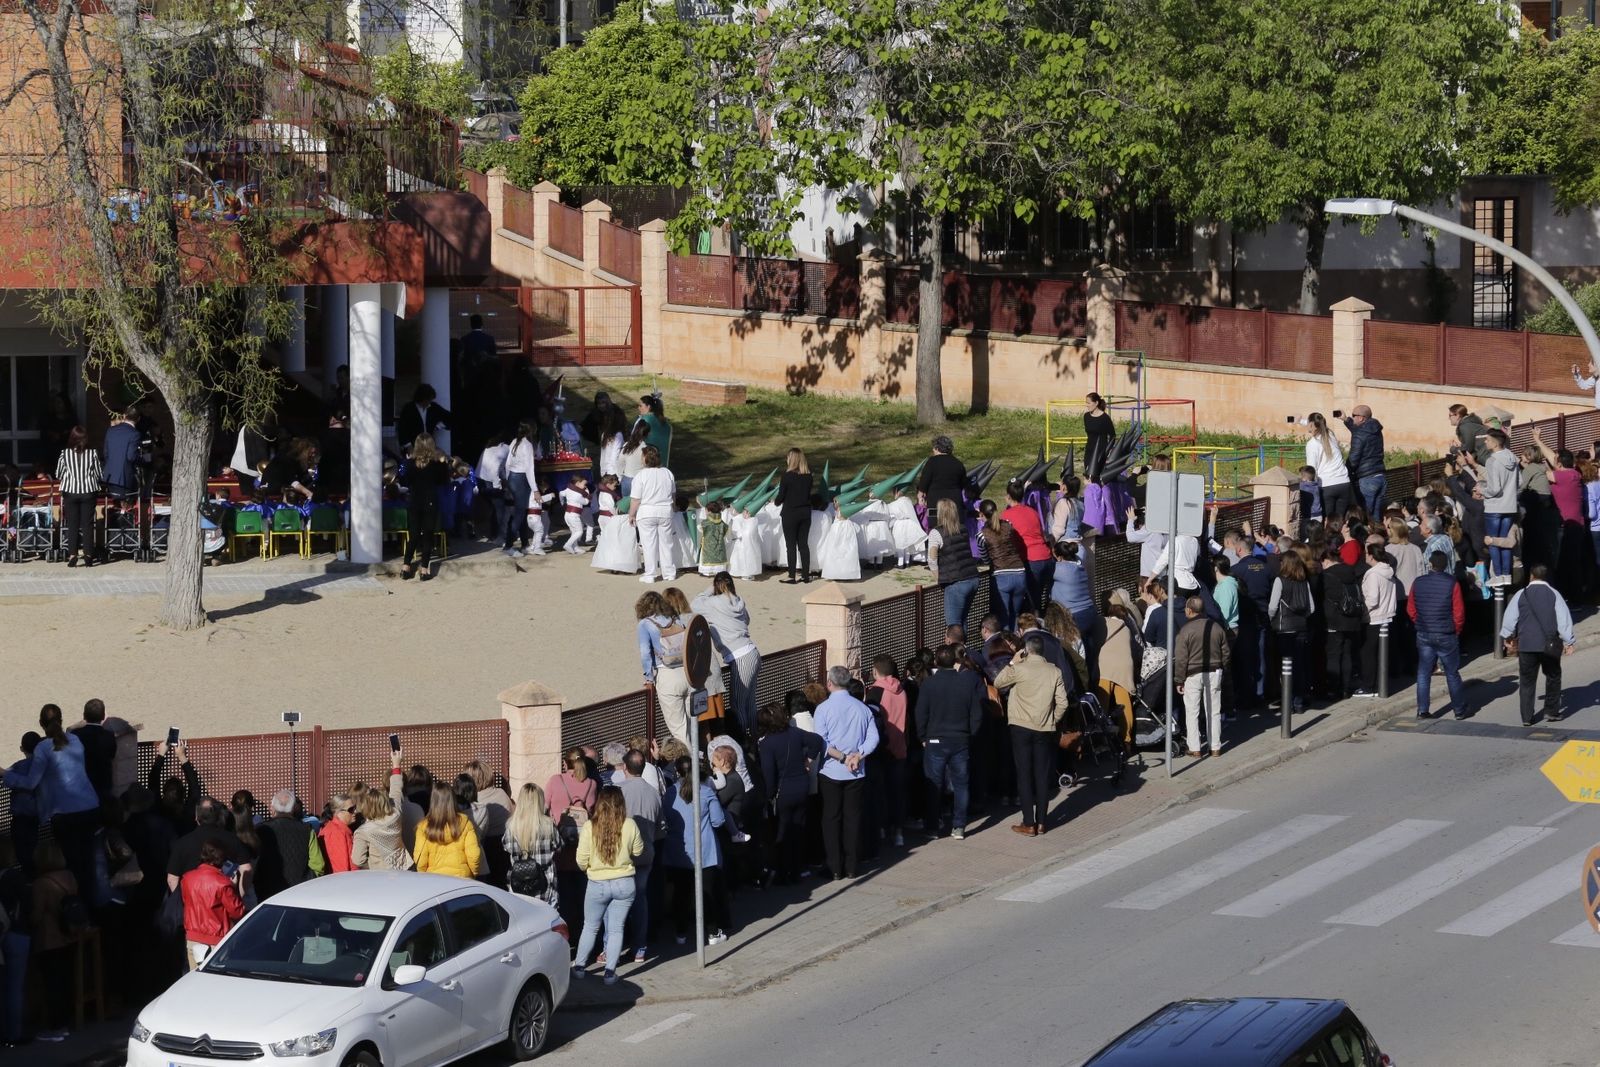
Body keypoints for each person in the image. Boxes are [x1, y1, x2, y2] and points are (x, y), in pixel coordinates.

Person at [4, 704, 103, 896]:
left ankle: (77, 904)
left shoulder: (43, 748)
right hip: (90, 806)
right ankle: (90, 903)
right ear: (61, 720)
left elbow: (31, 783)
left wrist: (5, 775)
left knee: (73, 865)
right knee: (89, 862)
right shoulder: (75, 740)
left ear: (41, 723)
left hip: (64, 814)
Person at [993, 634, 1068, 835]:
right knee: (1042, 775)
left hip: (1020, 726)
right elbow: (1063, 703)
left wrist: (1013, 661)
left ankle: (1029, 822)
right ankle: (1042, 822)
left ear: (1026, 650)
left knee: (1024, 774)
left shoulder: (1019, 669)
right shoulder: (1054, 671)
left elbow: (998, 682)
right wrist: (1052, 719)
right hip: (1044, 727)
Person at [814, 665, 881, 877]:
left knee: (831, 819)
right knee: (852, 819)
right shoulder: (862, 708)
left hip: (831, 771)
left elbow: (822, 742)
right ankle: (851, 867)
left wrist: (843, 757)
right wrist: (858, 756)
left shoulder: (823, 709)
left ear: (830, 683)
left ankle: (834, 867)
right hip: (856, 771)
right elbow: (873, 738)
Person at [571, 786, 642, 983]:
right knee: (616, 928)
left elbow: (581, 860)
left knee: (590, 927)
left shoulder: (589, 826)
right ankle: (610, 973)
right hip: (624, 882)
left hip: (597, 883)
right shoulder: (630, 824)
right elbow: (638, 851)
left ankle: (579, 967)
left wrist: (590, 869)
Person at [914, 646, 984, 840]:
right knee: (961, 784)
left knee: (934, 785)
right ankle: (959, 826)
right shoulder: (966, 683)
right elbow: (976, 714)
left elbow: (921, 713)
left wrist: (922, 737)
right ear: (955, 661)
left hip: (935, 740)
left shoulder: (929, 684)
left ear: (936, 662)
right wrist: (970, 734)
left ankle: (932, 827)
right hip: (960, 739)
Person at [661, 758, 731, 946]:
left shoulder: (669, 793)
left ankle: (681, 933)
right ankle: (712, 932)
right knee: (707, 893)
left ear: (677, 772)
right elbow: (718, 821)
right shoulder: (706, 792)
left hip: (678, 851)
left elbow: (665, 819)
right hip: (704, 852)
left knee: (681, 893)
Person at [1500, 563, 1576, 725]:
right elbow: (1563, 619)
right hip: (1549, 645)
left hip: (1527, 644)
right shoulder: (1554, 594)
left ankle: (1527, 717)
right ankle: (1551, 712)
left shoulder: (1521, 594)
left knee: (1527, 681)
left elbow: (1510, 617)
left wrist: (1507, 635)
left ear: (1531, 576)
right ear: (1545, 577)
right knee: (1553, 677)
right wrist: (1568, 641)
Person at [758, 703, 824, 883]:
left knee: (782, 832)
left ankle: (783, 873)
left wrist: (769, 796)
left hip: (783, 792)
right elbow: (817, 741)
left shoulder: (766, 744)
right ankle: (797, 869)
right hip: (802, 786)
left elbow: (769, 775)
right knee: (798, 829)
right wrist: (809, 760)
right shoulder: (795, 733)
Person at [693, 574, 761, 740]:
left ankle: (743, 741)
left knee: (738, 705)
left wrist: (710, 589)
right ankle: (755, 739)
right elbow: (747, 620)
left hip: (740, 657)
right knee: (750, 702)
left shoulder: (713, 603)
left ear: (716, 585)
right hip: (752, 652)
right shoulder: (739, 600)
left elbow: (694, 604)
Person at [1408, 550, 1468, 720]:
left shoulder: (1418, 582)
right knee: (1452, 673)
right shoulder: (1452, 583)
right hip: (1446, 632)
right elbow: (1459, 612)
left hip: (1424, 632)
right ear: (1445, 564)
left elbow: (1411, 609)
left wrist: (1419, 622)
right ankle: (1459, 709)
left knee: (1423, 672)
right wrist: (1456, 630)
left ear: (1430, 564)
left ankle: (1422, 710)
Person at [614, 751, 662, 961]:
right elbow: (661, 827)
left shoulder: (618, 792)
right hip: (646, 853)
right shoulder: (654, 793)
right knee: (640, 898)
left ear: (625, 767)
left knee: (618, 901)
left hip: (622, 855)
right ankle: (640, 946)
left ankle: (614, 947)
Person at [30, 841, 78, 1041]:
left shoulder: (41, 884)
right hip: (69, 935)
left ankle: (57, 1027)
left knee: (52, 984)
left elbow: (36, 915)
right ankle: (67, 1021)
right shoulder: (69, 876)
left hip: (49, 939)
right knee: (65, 981)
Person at [1174, 596, 1230, 760]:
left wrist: (1179, 679)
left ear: (1189, 610)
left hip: (1192, 674)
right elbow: (1226, 653)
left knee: (1192, 712)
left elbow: (1181, 658)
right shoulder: (1216, 627)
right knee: (1214, 711)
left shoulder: (1185, 630)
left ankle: (1195, 748)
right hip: (1214, 671)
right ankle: (1215, 747)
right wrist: (1223, 669)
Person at [180, 840, 245, 971]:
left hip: (193, 937)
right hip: (216, 940)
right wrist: (234, 887)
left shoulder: (187, 878)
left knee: (194, 977)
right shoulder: (223, 883)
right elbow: (237, 912)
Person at [1321, 545, 1369, 700]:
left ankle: (1333, 690)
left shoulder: (1326, 576)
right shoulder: (1351, 571)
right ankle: (1346, 689)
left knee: (1334, 655)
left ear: (1326, 560)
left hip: (1334, 621)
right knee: (1347, 654)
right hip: (1352, 619)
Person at [1268, 550, 1314, 714]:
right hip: (1301, 628)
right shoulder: (1304, 582)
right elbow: (1312, 608)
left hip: (1284, 629)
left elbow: (1272, 606)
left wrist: (1271, 619)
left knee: (1286, 667)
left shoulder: (1280, 580)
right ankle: (1298, 702)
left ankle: (1287, 703)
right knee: (1299, 666)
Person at [504, 782, 561, 909]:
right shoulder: (549, 826)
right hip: (545, 885)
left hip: (519, 886)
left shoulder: (511, 826)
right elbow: (559, 846)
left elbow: (506, 847)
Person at [401, 433, 449, 580]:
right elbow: (444, 481)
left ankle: (406, 567)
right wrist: (444, 463)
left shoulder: (410, 463)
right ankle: (424, 570)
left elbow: (405, 481)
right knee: (428, 535)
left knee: (414, 535)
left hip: (414, 501)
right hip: (430, 501)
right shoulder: (436, 465)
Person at [1475, 428, 1520, 586]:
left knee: (1492, 541)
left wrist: (1482, 490)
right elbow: (1519, 482)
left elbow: (1494, 489)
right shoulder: (1513, 458)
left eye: (1487, 439)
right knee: (1504, 541)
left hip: (1494, 507)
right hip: (1509, 506)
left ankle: (1498, 575)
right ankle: (1506, 575)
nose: (1485, 442)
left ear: (1494, 443)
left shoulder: (1492, 460)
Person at [928, 498, 981, 629]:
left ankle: (957, 643)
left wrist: (938, 578)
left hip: (956, 582)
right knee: (963, 620)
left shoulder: (936, 533)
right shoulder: (963, 528)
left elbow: (932, 559)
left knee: (954, 625)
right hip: (972, 578)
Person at [255, 788, 317, 898]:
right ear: (293, 808)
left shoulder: (260, 830)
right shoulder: (307, 830)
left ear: (272, 808)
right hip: (300, 892)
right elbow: (318, 864)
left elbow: (254, 861)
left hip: (267, 892)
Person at [412, 780, 482, 878]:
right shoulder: (466, 823)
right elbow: (474, 855)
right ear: (452, 800)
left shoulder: (423, 827)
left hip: (434, 879)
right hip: (462, 879)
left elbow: (420, 860)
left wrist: (424, 877)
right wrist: (473, 874)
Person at [55, 426, 102, 568]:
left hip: (70, 492)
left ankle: (72, 555)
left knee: (72, 524)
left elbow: (58, 473)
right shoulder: (92, 453)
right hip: (88, 491)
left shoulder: (65, 454)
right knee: (88, 524)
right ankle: (88, 556)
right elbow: (98, 473)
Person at [978, 499, 1028, 630]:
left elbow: (985, 559)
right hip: (1019, 572)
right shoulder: (1009, 525)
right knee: (1015, 615)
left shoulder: (981, 535)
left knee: (1003, 618)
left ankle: (1005, 642)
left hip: (1001, 576)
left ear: (981, 515)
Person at [631, 445, 678, 583]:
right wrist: (674, 507)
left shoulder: (640, 475)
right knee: (667, 544)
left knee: (648, 545)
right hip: (665, 511)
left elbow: (636, 499)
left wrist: (631, 514)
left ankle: (650, 574)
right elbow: (673, 494)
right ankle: (669, 573)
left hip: (647, 512)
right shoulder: (667, 473)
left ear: (645, 458)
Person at [1002, 481, 1053, 606]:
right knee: (1043, 599)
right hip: (1046, 557)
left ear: (1008, 496)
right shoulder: (1033, 512)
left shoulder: (1006, 515)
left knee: (1032, 603)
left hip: (1031, 560)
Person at [774, 447, 815, 584]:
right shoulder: (809, 477)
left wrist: (776, 501)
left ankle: (791, 576)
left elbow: (781, 497)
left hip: (790, 513)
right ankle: (805, 575)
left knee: (790, 545)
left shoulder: (787, 476)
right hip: (805, 513)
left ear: (791, 459)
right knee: (803, 544)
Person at [1304, 413, 1352, 523]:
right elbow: (1319, 425)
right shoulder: (1331, 435)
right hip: (1344, 483)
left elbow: (1311, 470)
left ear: (1311, 424)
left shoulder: (1312, 444)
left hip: (1327, 485)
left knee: (1328, 522)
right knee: (1340, 521)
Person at [351, 784, 409, 871]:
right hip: (403, 868)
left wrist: (372, 864)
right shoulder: (396, 815)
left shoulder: (363, 831)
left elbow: (357, 860)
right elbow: (396, 793)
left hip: (380, 874)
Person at [1342, 406, 1386, 518]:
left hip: (1367, 479)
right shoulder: (1375, 429)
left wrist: (1344, 472)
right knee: (1376, 517)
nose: (1352, 417)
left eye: (1353, 415)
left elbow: (1353, 459)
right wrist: (1346, 419)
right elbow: (1359, 431)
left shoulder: (1360, 434)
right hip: (1380, 476)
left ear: (1361, 418)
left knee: (1364, 516)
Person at [72, 698, 118, 805]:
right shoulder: (109, 736)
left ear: (84, 715)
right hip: (103, 784)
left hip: (81, 784)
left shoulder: (75, 735)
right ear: (103, 716)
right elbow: (112, 755)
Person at [503, 421, 537, 556]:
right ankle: (508, 545)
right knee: (519, 513)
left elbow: (507, 464)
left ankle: (524, 543)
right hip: (521, 478)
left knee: (521, 512)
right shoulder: (527, 445)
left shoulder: (514, 442)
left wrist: (508, 480)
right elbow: (529, 469)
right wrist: (535, 489)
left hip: (512, 477)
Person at [918, 435, 967, 518]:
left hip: (936, 502)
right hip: (955, 503)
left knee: (937, 524)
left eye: (933, 448)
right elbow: (963, 483)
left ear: (937, 448)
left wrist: (920, 495)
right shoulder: (958, 463)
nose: (933, 450)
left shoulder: (932, 462)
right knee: (955, 524)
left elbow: (924, 481)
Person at [396, 384, 451, 454]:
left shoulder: (433, 407)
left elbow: (450, 417)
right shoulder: (408, 408)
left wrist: (438, 426)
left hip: (428, 446)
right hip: (413, 446)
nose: (429, 402)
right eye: (428, 400)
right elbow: (402, 429)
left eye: (430, 400)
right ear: (422, 398)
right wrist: (408, 446)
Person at [102, 407, 142, 498]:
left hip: (109, 475)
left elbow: (106, 453)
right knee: (127, 502)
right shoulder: (135, 434)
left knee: (113, 502)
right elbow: (131, 456)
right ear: (138, 419)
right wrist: (143, 459)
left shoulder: (111, 430)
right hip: (124, 477)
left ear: (124, 416)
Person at [318, 792, 357, 873]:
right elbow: (340, 868)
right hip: (345, 879)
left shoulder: (340, 829)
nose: (355, 812)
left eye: (355, 808)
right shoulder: (336, 832)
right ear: (339, 812)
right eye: (351, 809)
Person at [1082, 392, 1116, 481]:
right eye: (1086, 403)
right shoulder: (1086, 416)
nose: (1087, 405)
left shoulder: (1105, 418)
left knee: (1097, 477)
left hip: (1101, 451)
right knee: (1087, 475)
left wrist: (1108, 451)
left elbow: (1112, 436)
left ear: (1096, 403)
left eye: (1089, 403)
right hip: (1089, 450)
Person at [633, 393, 672, 462]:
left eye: (640, 406)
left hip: (645, 461)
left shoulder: (643, 420)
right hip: (662, 463)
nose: (638, 408)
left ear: (648, 407)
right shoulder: (667, 425)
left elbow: (634, 439)